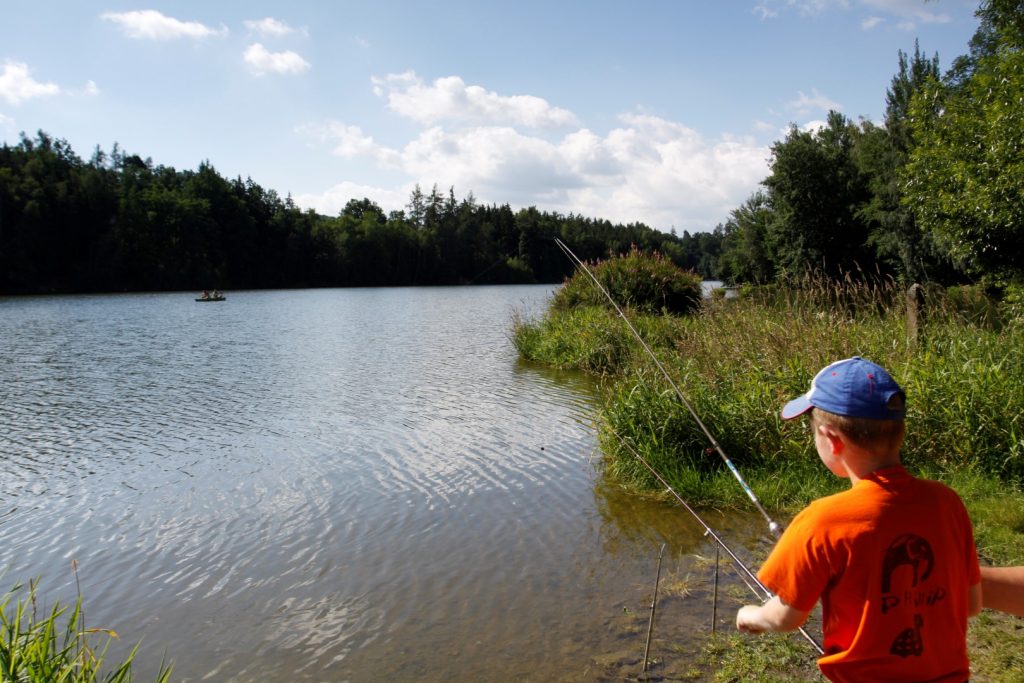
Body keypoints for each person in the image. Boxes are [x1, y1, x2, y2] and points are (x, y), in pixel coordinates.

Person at [736, 356, 982, 682]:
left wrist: (751, 615)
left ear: (831, 438)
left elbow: (785, 617)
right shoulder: (947, 502)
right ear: (900, 432)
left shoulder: (820, 520)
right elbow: (972, 604)